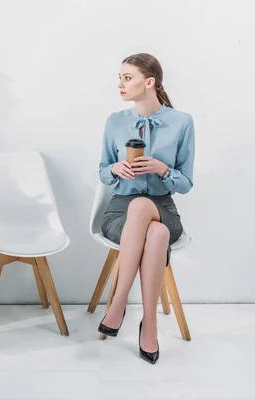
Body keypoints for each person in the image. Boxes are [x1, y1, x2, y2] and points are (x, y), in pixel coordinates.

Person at [97, 53, 195, 364]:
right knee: (154, 232)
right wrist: (115, 169)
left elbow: (186, 182)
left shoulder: (182, 122)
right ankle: (149, 325)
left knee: (150, 213)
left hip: (164, 207)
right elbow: (101, 172)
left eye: (128, 78)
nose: (120, 84)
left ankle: (118, 303)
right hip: (120, 213)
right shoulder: (115, 121)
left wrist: (162, 169)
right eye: (120, 77)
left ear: (149, 82)